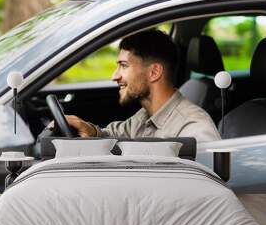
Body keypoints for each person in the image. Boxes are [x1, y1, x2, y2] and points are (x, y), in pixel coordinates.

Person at [49, 29, 221, 143]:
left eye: (123, 66)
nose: (114, 76)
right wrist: (89, 131)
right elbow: (113, 136)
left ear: (154, 72)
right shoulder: (144, 117)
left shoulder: (194, 129)